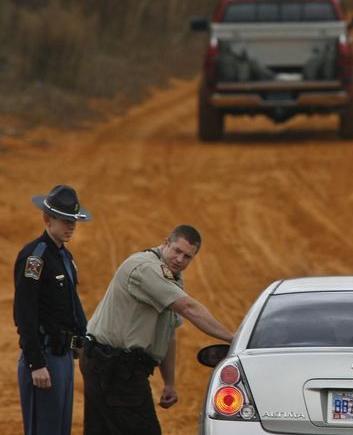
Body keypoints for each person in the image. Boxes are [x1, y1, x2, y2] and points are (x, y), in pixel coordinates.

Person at [80, 224, 234, 435]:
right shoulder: (146, 269)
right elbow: (189, 309)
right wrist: (234, 338)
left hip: (115, 366)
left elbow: (168, 332)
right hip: (113, 367)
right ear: (166, 243)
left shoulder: (172, 277)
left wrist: (169, 383)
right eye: (177, 251)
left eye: (187, 257)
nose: (180, 260)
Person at [14, 184, 93, 435]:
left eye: (73, 221)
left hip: (64, 358)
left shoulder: (65, 257)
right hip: (45, 357)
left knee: (60, 429)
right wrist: (36, 363)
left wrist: (83, 341)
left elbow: (72, 305)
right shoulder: (34, 258)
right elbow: (25, 313)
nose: (71, 226)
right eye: (64, 220)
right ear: (47, 219)